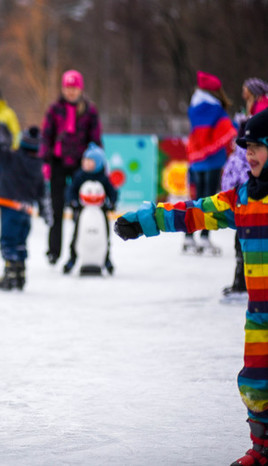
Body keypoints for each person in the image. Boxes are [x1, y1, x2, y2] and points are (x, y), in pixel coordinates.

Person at [113, 109, 268, 466]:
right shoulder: (243, 199)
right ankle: (262, 450)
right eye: (247, 147)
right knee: (256, 383)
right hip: (259, 315)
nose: (250, 153)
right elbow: (195, 212)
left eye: (259, 146)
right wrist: (145, 220)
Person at [39, 69, 102, 265]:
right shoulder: (54, 109)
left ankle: (77, 249)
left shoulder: (90, 111)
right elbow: (46, 137)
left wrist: (95, 164)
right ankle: (53, 251)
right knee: (56, 209)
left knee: (80, 210)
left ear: (80, 89)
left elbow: (96, 140)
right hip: (58, 164)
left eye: (74, 88)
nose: (71, 92)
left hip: (80, 166)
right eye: (67, 87)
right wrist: (45, 161)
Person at [220, 79, 268, 301]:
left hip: (248, 181)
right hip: (245, 181)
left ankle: (243, 282)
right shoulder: (250, 108)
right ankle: (241, 281)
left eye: (245, 88)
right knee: (243, 228)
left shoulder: (261, 107)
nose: (242, 91)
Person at [183, 71, 237, 253]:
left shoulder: (193, 108)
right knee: (209, 200)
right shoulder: (216, 109)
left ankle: (189, 236)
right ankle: (205, 237)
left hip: (196, 159)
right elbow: (227, 129)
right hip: (213, 160)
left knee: (195, 197)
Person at [0, 125, 49, 290]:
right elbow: (42, 190)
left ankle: (10, 273)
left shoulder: (12, 158)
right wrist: (45, 210)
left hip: (10, 207)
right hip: (26, 210)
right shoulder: (38, 165)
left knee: (8, 241)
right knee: (20, 241)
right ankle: (20, 272)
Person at [62, 142, 117, 274]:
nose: (85, 163)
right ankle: (72, 258)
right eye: (84, 160)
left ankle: (106, 259)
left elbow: (112, 192)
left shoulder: (103, 178)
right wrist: (72, 201)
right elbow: (71, 190)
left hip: (100, 211)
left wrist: (112, 203)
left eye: (89, 161)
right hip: (82, 211)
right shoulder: (79, 175)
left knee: (104, 235)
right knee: (77, 235)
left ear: (97, 163)